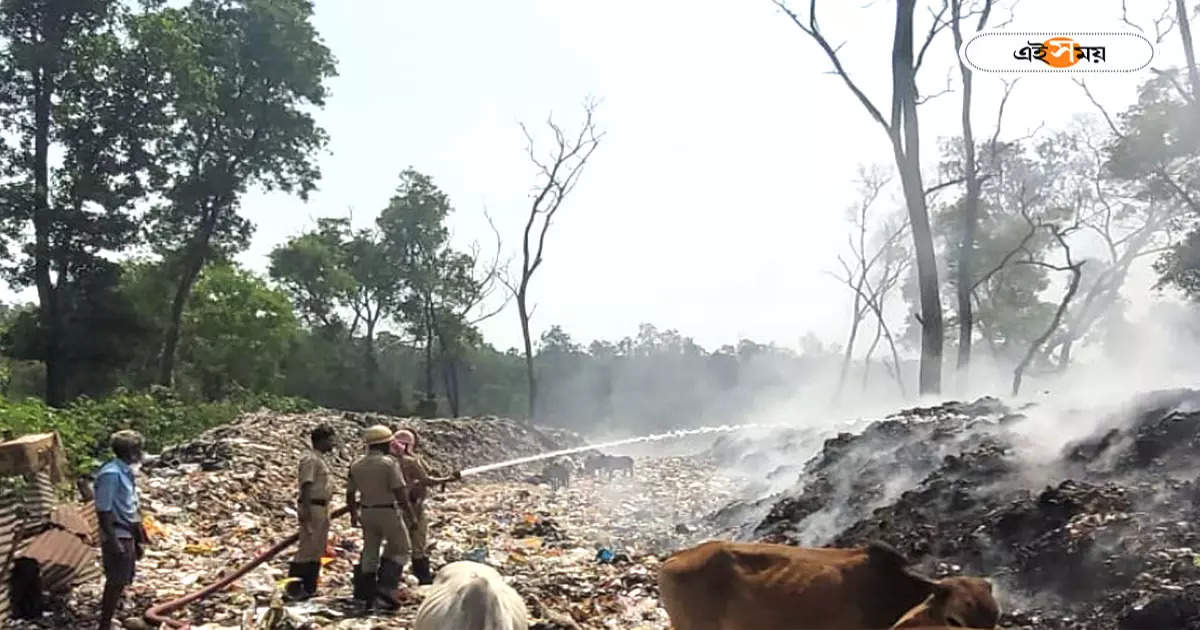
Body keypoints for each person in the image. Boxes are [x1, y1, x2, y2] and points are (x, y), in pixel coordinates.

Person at [347, 424, 417, 612]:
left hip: (367, 512)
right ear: (384, 444)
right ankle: (386, 590)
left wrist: (354, 514)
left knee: (370, 552)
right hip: (387, 511)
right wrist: (411, 516)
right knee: (402, 548)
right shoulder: (388, 463)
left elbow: (350, 494)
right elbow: (399, 491)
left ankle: (364, 595)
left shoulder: (356, 465)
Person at [389, 428, 462, 585]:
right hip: (412, 507)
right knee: (418, 542)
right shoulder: (409, 461)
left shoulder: (387, 461)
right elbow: (426, 480)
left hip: (391, 508)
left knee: (395, 545)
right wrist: (448, 479)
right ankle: (422, 577)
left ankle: (389, 581)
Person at [93, 430, 150, 630]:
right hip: (117, 533)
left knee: (124, 577)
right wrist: (114, 541)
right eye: (139, 449)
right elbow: (103, 510)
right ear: (132, 452)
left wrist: (139, 537)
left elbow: (130, 506)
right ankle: (105, 624)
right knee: (116, 580)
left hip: (128, 532)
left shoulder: (125, 472)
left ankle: (111, 618)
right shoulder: (111, 474)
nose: (142, 453)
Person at [286, 423, 336, 600]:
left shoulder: (319, 459)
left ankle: (309, 587)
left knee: (317, 549)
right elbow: (306, 485)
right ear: (321, 441)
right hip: (312, 507)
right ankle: (293, 589)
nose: (333, 443)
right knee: (307, 548)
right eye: (330, 440)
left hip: (321, 507)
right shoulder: (310, 459)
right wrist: (305, 511)